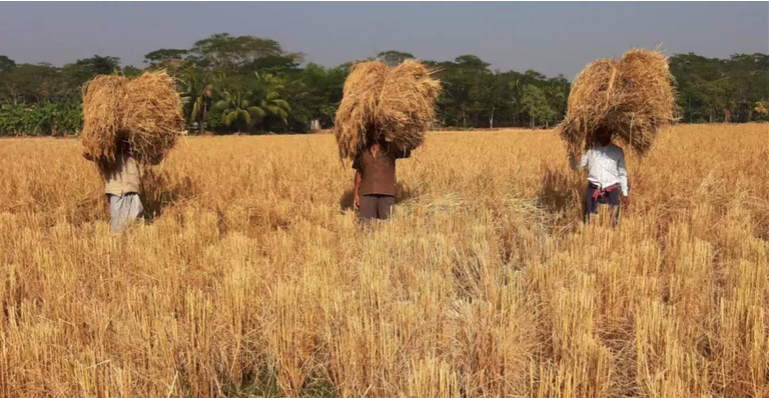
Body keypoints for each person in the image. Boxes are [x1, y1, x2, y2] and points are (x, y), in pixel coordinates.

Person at [570, 127, 629, 224]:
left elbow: (622, 173)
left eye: (606, 133)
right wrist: (572, 153)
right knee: (590, 220)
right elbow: (578, 166)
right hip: (593, 189)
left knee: (613, 221)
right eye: (600, 133)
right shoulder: (589, 150)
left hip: (612, 190)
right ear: (596, 134)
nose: (603, 136)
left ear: (611, 134)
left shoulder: (618, 151)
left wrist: (625, 194)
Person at [85, 140, 144, 233]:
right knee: (119, 221)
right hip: (117, 190)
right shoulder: (108, 152)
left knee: (135, 218)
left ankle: (133, 240)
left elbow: (154, 158)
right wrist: (91, 148)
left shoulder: (135, 150)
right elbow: (89, 154)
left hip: (131, 187)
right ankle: (118, 240)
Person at [352, 136, 410, 222]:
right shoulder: (362, 150)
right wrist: (356, 194)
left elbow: (407, 149)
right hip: (366, 192)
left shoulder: (391, 148)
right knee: (365, 225)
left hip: (386, 193)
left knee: (386, 225)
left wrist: (406, 132)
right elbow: (359, 173)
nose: (375, 133)